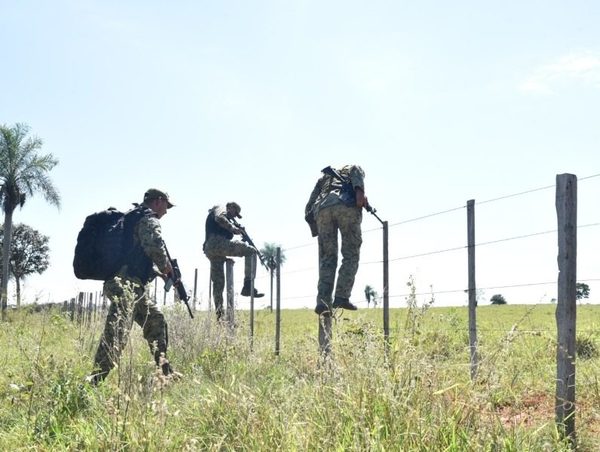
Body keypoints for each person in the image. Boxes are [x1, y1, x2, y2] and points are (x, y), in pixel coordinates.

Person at [89, 188, 179, 384]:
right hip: (125, 284)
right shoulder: (148, 218)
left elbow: (136, 256)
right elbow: (154, 245)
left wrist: (158, 272)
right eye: (166, 205)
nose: (166, 211)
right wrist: (166, 268)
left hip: (131, 284)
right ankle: (93, 382)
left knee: (156, 320)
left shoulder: (134, 219)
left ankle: (165, 371)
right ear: (158, 201)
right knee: (117, 333)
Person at [305, 165, 368, 315]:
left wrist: (316, 230)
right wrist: (362, 197)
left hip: (322, 211)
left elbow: (308, 209)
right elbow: (359, 197)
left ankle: (323, 302)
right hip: (346, 207)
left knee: (327, 258)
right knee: (351, 254)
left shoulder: (324, 179)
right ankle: (341, 296)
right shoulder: (354, 168)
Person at [203, 202, 264, 320]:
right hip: (217, 244)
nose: (234, 216)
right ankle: (248, 286)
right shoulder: (220, 209)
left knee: (218, 283)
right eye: (235, 213)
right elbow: (219, 217)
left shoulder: (227, 218)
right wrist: (234, 229)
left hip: (211, 249)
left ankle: (219, 316)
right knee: (251, 251)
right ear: (230, 207)